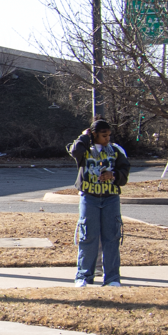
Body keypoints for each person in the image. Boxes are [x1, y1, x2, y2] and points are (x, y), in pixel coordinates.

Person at [68, 115, 130, 287]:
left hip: (110, 198)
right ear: (94, 134)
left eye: (109, 135)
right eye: (104, 135)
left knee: (111, 237)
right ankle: (83, 276)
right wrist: (85, 135)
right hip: (90, 198)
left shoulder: (116, 150)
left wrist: (114, 175)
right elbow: (75, 151)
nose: (107, 139)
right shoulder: (84, 150)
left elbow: (124, 173)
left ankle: (112, 278)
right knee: (88, 236)